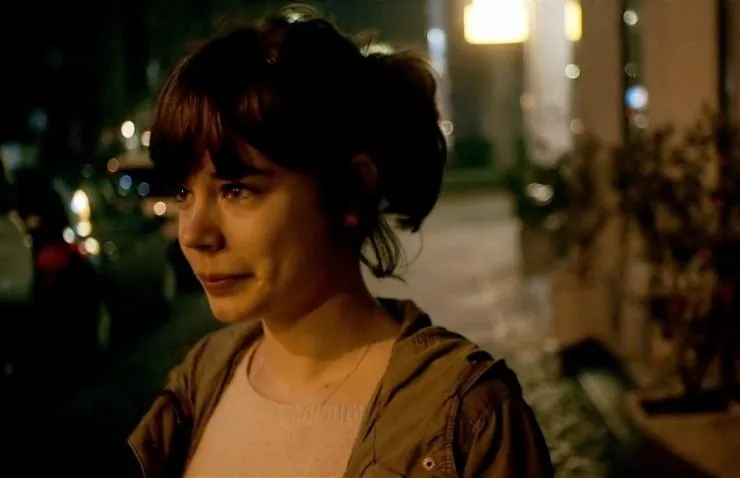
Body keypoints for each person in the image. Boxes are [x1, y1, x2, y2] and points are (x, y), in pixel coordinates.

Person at [128, 7, 552, 478]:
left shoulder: (467, 418)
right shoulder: (202, 379)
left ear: (349, 191)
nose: (194, 234)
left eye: (236, 190)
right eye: (184, 192)